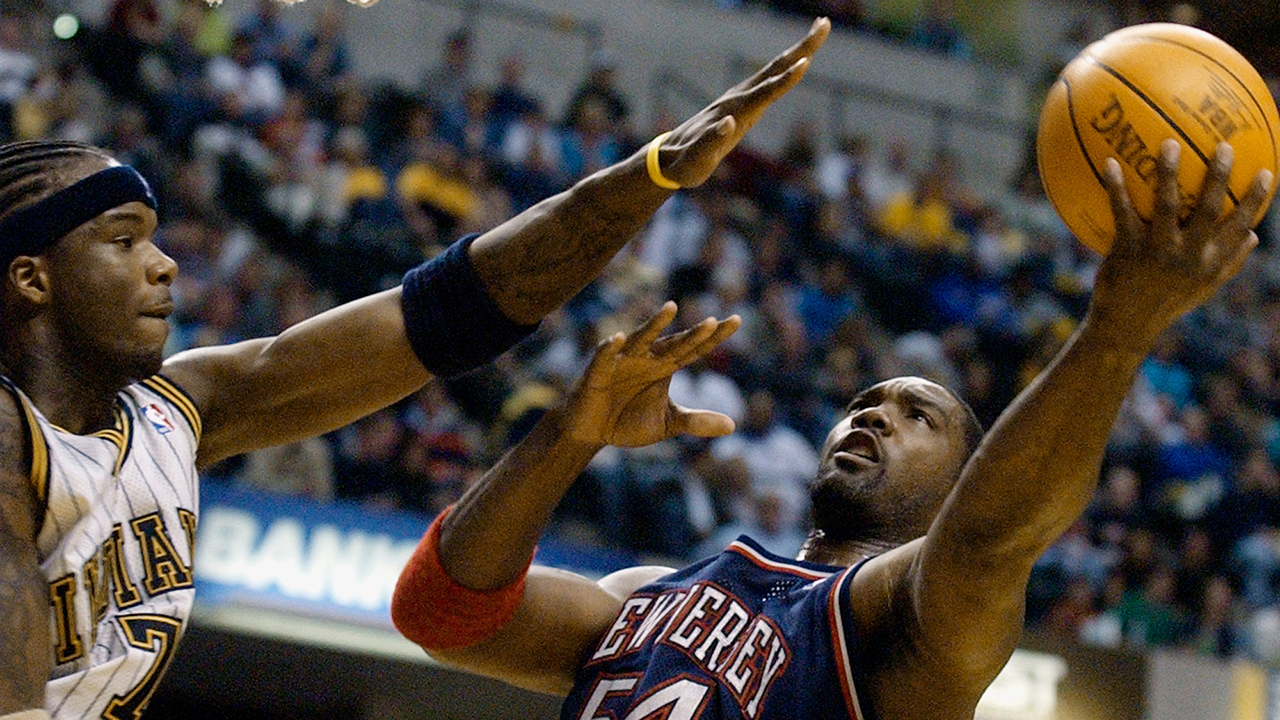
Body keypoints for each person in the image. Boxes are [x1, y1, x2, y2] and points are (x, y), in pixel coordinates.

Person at [0, 18, 831, 719]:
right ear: (32, 277)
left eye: (154, 234)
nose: (165, 264)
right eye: (122, 240)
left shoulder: (176, 411)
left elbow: (451, 309)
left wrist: (649, 177)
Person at [390, 138, 1272, 719]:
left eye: (916, 414)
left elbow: (989, 536)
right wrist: (567, 437)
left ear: (963, 480)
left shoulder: (902, 634)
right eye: (864, 403)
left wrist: (1119, 326)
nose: (874, 414)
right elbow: (438, 612)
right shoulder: (646, 593)